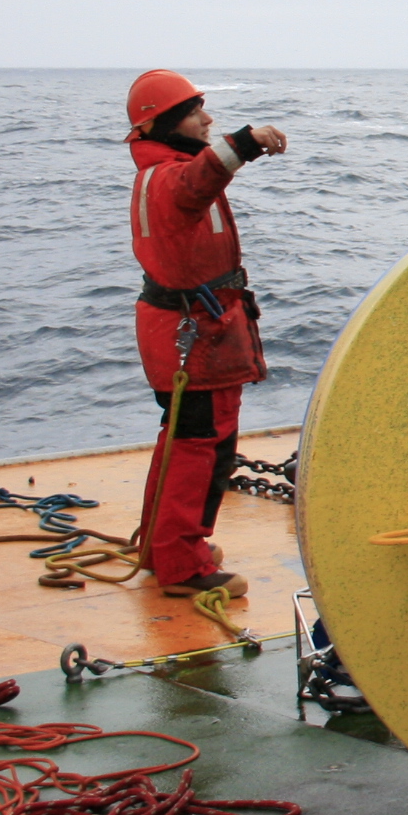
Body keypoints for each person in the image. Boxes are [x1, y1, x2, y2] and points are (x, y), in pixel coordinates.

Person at [125, 70, 286, 600]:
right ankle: (181, 562)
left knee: (184, 439)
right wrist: (247, 142)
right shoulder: (173, 180)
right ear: (168, 124)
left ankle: (164, 548)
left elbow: (199, 178)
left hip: (186, 330)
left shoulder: (159, 173)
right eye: (195, 112)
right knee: (201, 448)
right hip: (193, 335)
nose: (207, 119)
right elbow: (200, 179)